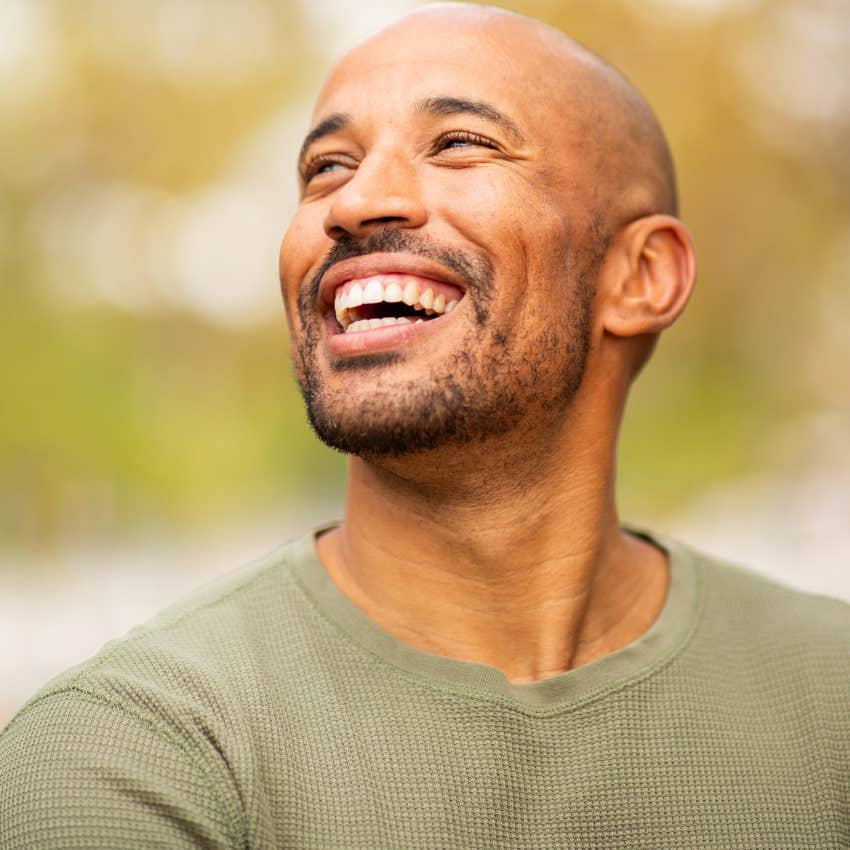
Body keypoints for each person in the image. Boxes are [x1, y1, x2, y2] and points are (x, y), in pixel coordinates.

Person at [1, 4, 848, 848]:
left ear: (641, 278)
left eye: (458, 144)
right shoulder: (127, 756)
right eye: (326, 167)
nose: (357, 201)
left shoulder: (831, 695)